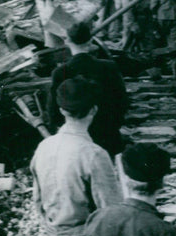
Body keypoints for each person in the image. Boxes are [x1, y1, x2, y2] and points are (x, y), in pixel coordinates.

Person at [31, 77, 122, 236]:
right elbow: (110, 213)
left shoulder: (44, 147)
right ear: (94, 110)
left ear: (62, 110)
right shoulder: (94, 153)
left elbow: (37, 200)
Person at [47, 21, 129, 157]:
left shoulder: (60, 72)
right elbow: (122, 102)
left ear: (67, 41)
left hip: (75, 138)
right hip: (108, 134)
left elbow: (53, 112)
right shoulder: (109, 67)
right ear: (90, 40)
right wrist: (114, 125)